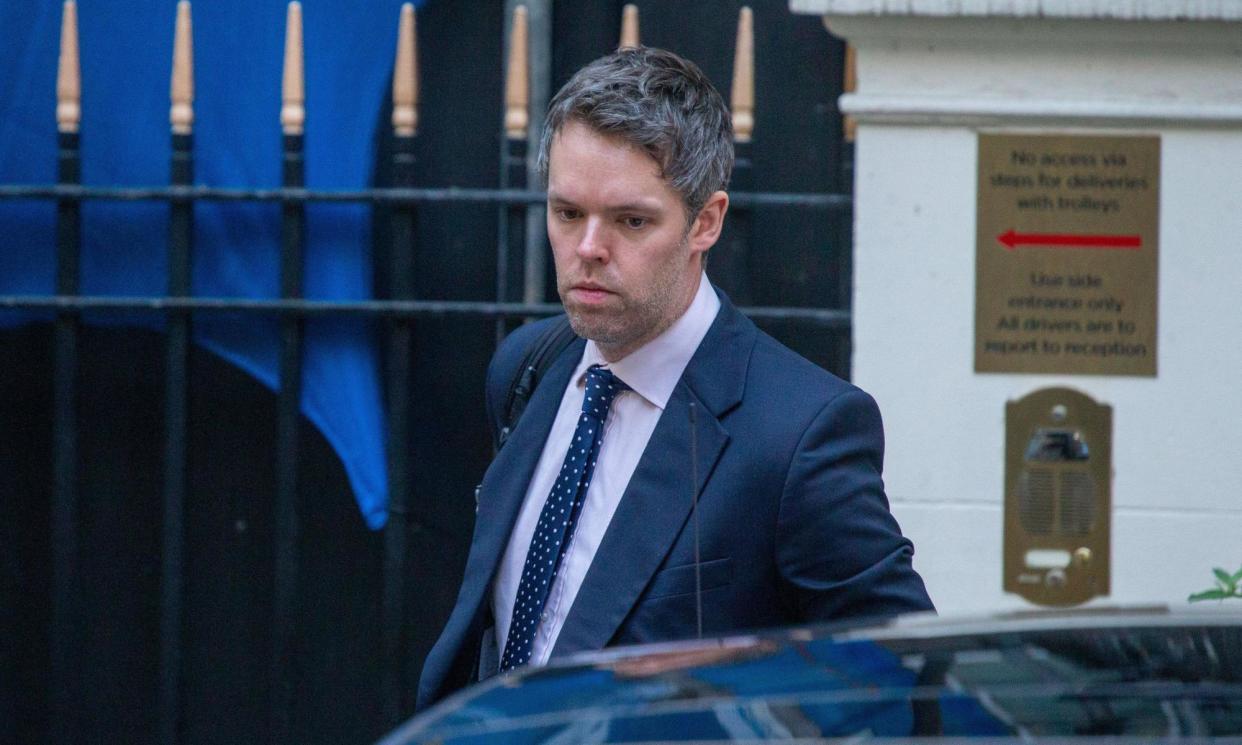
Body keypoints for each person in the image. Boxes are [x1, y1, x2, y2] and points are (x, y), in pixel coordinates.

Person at [417, 46, 932, 710]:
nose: (588, 249)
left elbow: (906, 676)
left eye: (632, 220)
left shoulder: (800, 433)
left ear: (706, 221)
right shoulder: (526, 366)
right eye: (568, 212)